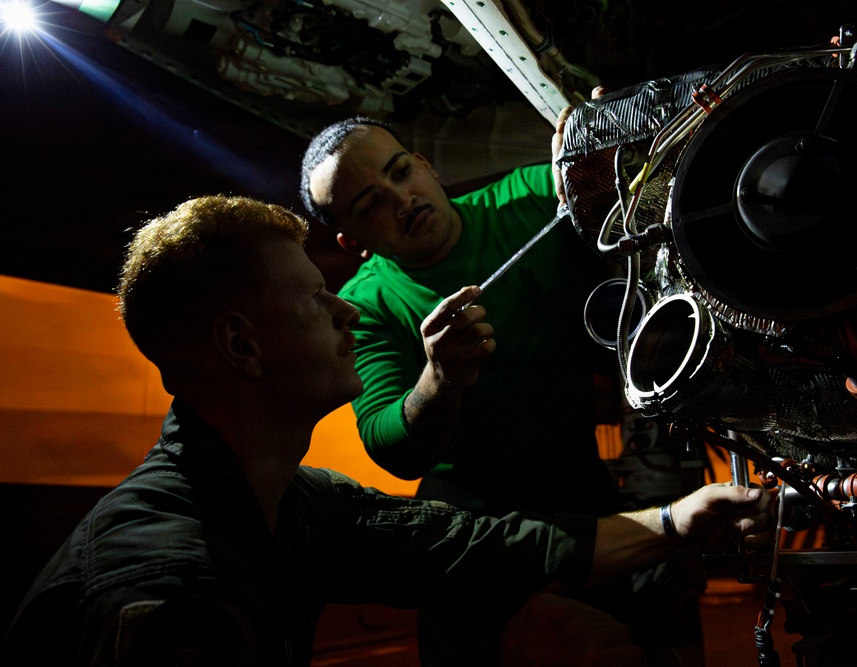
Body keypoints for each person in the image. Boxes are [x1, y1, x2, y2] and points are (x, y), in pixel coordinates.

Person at [0, 194, 773, 666]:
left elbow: (487, 547)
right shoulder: (171, 589)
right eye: (314, 299)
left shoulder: (296, 504)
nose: (349, 310)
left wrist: (680, 518)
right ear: (242, 345)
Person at [300, 114, 710, 664]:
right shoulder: (367, 305)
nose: (402, 199)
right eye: (371, 203)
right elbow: (389, 446)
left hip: (580, 487)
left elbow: (640, 182)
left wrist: (604, 141)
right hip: (470, 524)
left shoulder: (531, 198)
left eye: (401, 171)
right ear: (353, 241)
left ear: (425, 165)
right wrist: (439, 379)